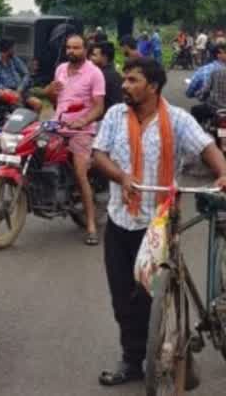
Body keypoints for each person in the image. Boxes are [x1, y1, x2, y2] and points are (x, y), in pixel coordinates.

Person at [91, 57, 226, 386]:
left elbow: (208, 147)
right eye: (125, 79)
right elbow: (99, 155)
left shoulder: (177, 120)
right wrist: (121, 176)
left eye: (133, 80)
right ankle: (132, 360)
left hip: (160, 223)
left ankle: (175, 346)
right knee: (124, 297)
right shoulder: (114, 115)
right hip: (120, 220)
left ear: (152, 86)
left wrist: (223, 173)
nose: (125, 85)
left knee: (156, 295)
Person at [44, 33, 106, 245]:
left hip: (82, 130)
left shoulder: (95, 73)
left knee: (80, 173)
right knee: (37, 153)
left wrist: (82, 121)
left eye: (76, 48)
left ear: (85, 50)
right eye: (69, 47)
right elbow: (54, 99)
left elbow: (99, 107)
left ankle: (90, 225)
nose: (71, 51)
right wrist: (50, 91)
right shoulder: (60, 69)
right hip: (58, 124)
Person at [90, 41, 123, 114]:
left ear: (104, 57)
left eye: (94, 55)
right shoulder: (115, 73)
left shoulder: (101, 76)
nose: (91, 58)